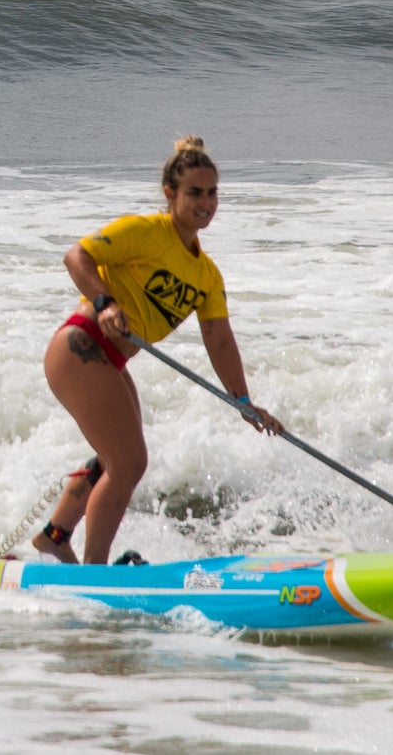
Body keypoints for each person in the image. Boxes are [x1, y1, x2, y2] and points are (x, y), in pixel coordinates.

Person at [33, 135, 283, 565]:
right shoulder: (145, 231)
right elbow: (77, 257)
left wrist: (242, 401)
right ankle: (95, 573)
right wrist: (105, 302)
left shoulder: (207, 274)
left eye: (212, 193)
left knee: (114, 455)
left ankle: (56, 535)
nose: (205, 202)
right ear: (171, 194)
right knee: (128, 463)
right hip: (80, 347)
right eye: (194, 193)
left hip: (109, 359)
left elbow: (219, 339)